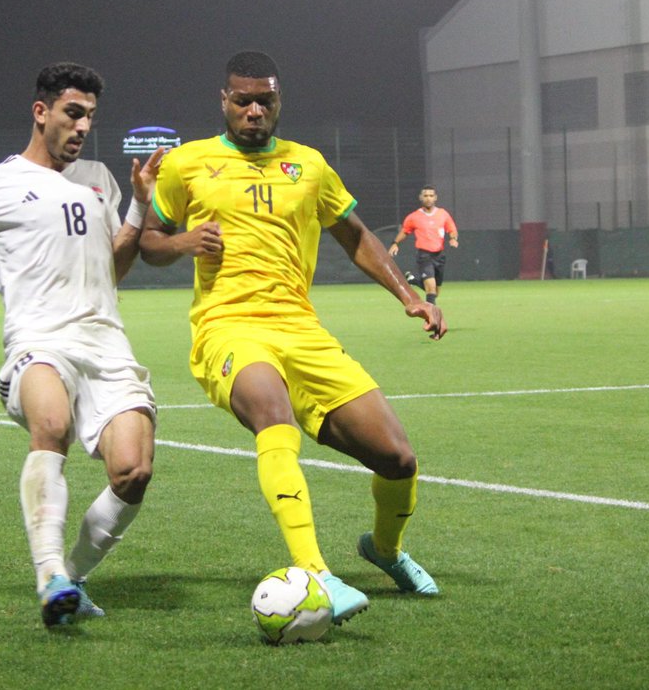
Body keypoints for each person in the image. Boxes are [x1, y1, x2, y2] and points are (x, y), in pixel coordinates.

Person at [139, 51, 445, 626]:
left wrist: (409, 296)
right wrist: (183, 244)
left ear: (279, 102)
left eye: (265, 101)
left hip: (301, 329)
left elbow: (354, 235)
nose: (254, 111)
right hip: (228, 327)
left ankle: (385, 550)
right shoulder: (187, 163)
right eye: (242, 101)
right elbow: (150, 242)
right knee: (273, 415)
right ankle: (316, 571)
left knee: (398, 459)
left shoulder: (309, 165)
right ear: (223, 102)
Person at [0, 62, 162, 628]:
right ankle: (48, 572)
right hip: (39, 341)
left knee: (133, 472)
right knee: (49, 425)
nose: (82, 128)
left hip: (106, 343)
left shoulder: (99, 175)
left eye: (90, 118)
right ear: (41, 112)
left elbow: (113, 268)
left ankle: (70, 580)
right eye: (72, 114)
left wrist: (139, 205)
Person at [388, 186, 458, 306]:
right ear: (421, 198)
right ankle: (432, 319)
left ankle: (413, 280)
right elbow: (405, 231)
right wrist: (395, 243)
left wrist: (453, 239)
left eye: (431, 196)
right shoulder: (414, 216)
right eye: (425, 196)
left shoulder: (443, 214)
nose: (428, 198)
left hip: (440, 256)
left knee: (435, 292)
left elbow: (452, 230)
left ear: (435, 198)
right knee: (430, 288)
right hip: (425, 256)